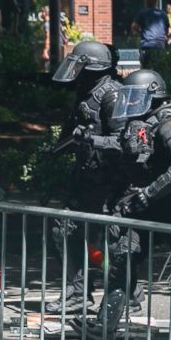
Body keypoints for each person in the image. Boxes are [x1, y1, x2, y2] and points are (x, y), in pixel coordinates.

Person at [75, 70, 171, 340]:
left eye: (135, 96)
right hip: (150, 205)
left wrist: (148, 194)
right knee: (123, 256)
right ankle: (105, 326)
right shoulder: (144, 120)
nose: (129, 102)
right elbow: (127, 145)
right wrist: (93, 140)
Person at [45, 41, 124, 315]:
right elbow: (74, 129)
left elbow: (123, 142)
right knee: (63, 228)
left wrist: (92, 140)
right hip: (85, 178)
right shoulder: (85, 92)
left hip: (108, 184)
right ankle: (78, 292)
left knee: (113, 244)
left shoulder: (112, 95)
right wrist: (57, 148)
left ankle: (125, 296)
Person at [131, 0, 170, 69]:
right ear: (157, 2)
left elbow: (134, 27)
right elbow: (167, 31)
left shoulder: (142, 13)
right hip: (159, 47)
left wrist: (141, 33)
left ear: (146, 2)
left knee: (145, 70)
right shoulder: (163, 14)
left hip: (147, 46)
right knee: (159, 70)